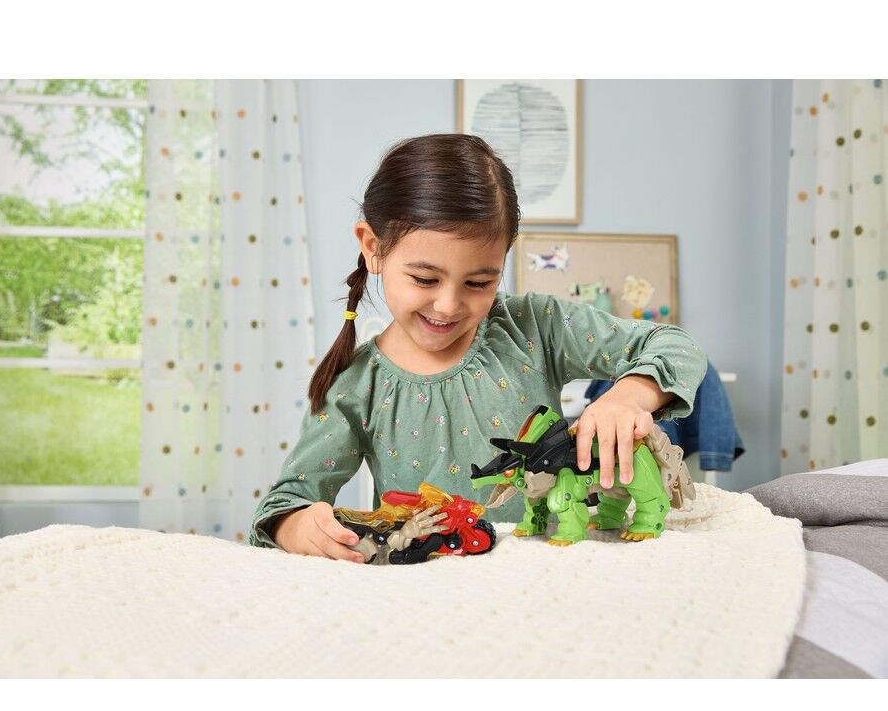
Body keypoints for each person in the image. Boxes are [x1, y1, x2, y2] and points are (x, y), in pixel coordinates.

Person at [250, 134, 707, 560]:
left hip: (552, 577)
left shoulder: (536, 326)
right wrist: (296, 526)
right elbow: (285, 503)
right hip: (423, 596)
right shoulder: (356, 384)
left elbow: (675, 346)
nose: (448, 305)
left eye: (479, 282)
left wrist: (629, 396)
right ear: (373, 247)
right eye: (424, 279)